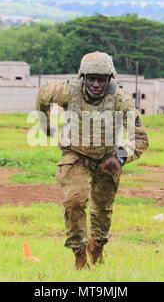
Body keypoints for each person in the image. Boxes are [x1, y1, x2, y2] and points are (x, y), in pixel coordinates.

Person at [35, 51, 148, 270]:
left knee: (102, 211)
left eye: (101, 80)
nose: (96, 84)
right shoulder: (66, 91)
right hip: (75, 154)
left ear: (110, 79)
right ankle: (79, 254)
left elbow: (141, 137)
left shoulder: (119, 98)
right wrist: (45, 123)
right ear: (82, 78)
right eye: (91, 79)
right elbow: (42, 96)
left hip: (108, 158)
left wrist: (121, 158)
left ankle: (97, 247)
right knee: (74, 201)